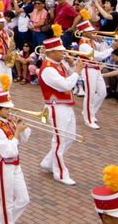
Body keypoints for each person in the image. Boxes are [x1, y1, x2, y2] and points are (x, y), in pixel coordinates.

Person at [38, 28, 84, 185]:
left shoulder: (59, 63)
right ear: (51, 52)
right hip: (56, 107)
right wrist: (77, 70)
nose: (64, 54)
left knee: (70, 137)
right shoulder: (48, 69)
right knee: (59, 141)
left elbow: (70, 77)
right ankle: (60, 174)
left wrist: (72, 67)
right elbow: (65, 85)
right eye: (60, 51)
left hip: (66, 106)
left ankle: (48, 162)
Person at [0, 77, 30, 224]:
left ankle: (3, 221)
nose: (9, 110)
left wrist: (22, 128)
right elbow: (8, 151)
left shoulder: (8, 121)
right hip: (3, 167)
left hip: (15, 165)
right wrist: (17, 132)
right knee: (7, 203)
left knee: (24, 199)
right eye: (6, 108)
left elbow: (24, 140)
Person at [75, 14, 112, 129]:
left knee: (102, 93)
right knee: (90, 95)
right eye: (90, 31)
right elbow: (99, 56)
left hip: (96, 69)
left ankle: (90, 112)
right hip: (88, 69)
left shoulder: (91, 42)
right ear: (84, 33)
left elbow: (102, 50)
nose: (92, 33)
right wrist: (113, 48)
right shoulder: (84, 45)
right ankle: (88, 119)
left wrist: (102, 42)